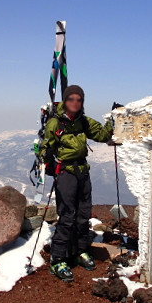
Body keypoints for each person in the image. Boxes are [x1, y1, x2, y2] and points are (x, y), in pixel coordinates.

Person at [39, 85, 113, 282]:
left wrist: (114, 119)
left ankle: (81, 251)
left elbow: (103, 135)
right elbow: (44, 148)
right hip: (65, 173)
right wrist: (50, 163)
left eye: (79, 99)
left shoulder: (83, 122)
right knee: (67, 216)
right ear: (65, 100)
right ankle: (58, 259)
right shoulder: (55, 123)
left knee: (83, 214)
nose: (75, 102)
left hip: (82, 172)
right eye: (71, 99)